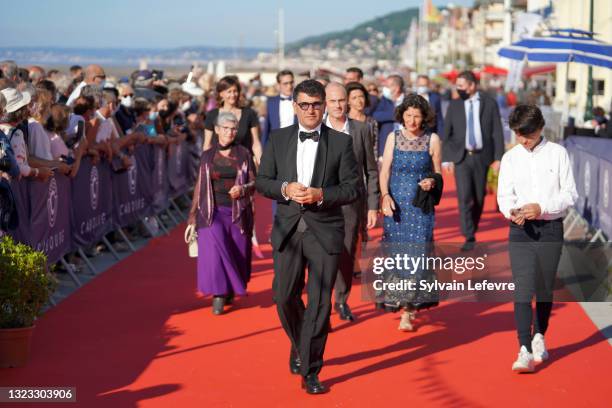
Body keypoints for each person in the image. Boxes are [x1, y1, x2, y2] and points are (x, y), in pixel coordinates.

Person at [255, 79, 359, 394]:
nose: (311, 110)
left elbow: (354, 188)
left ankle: (311, 370)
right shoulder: (278, 138)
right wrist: (285, 189)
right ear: (295, 106)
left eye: (316, 104)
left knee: (319, 305)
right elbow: (263, 182)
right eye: (305, 104)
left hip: (325, 232)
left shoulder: (341, 143)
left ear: (324, 106)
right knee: (283, 296)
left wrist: (321, 194)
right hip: (287, 230)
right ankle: (301, 342)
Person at [497, 104, 577, 373]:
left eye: (527, 135)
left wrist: (542, 207)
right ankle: (523, 349)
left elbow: (569, 195)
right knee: (522, 287)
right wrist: (512, 211)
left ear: (540, 128)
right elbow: (504, 195)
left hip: (550, 228)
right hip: (520, 230)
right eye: (518, 134)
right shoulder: (511, 158)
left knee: (543, 287)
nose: (522, 140)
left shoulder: (558, 154)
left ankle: (539, 334)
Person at [379, 94, 442, 331]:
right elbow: (384, 171)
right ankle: (403, 301)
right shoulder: (392, 137)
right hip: (396, 207)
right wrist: (385, 196)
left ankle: (410, 308)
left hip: (420, 208)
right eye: (408, 115)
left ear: (424, 117)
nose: (412, 120)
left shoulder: (432, 140)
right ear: (401, 116)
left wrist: (431, 182)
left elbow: (438, 174)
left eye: (416, 116)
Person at [188, 111, 256, 315]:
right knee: (215, 248)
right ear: (217, 130)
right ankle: (218, 293)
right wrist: (192, 216)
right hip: (211, 211)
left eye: (234, 128)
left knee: (237, 252)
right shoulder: (208, 155)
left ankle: (229, 289)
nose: (230, 132)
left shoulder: (244, 153)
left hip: (237, 211)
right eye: (225, 128)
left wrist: (243, 189)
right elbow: (200, 185)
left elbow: (255, 182)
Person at [325, 82, 379, 322]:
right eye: (332, 101)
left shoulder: (361, 129)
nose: (338, 105)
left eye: (341, 100)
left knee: (346, 253)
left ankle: (341, 299)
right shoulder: (315, 128)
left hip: (350, 203)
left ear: (347, 101)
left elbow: (371, 170)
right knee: (323, 254)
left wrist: (373, 205)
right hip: (321, 201)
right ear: (325, 103)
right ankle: (321, 302)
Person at [441, 70, 504, 251]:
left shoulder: (489, 103)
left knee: (478, 198)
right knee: (464, 197)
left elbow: (497, 132)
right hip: (462, 157)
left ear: (472, 85)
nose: (458, 89)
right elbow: (447, 132)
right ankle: (468, 235)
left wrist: (498, 157)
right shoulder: (454, 105)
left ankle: (473, 227)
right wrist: (446, 159)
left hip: (482, 157)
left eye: (461, 86)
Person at [203, 76, 262, 165]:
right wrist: (205, 167)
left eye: (235, 91)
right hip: (218, 166)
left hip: (244, 165)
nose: (233, 95)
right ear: (221, 94)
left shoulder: (249, 113)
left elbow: (256, 144)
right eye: (229, 92)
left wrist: (262, 167)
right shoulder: (212, 115)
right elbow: (207, 145)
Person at [372, 74, 406, 158]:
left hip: (405, 144)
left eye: (387, 86)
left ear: (397, 88)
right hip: (386, 144)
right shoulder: (384, 100)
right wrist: (396, 115)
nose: (384, 88)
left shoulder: (408, 100)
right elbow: (376, 115)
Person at [263, 70, 296, 146]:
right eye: (285, 84)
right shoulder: (271, 102)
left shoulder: (300, 101)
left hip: (295, 144)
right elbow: (266, 129)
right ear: (278, 85)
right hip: (276, 145)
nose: (289, 86)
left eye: (291, 82)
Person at [346, 81, 379, 156]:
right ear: (348, 101)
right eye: (354, 98)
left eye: (361, 96)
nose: (359, 101)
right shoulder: (343, 120)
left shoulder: (372, 122)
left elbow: (374, 147)